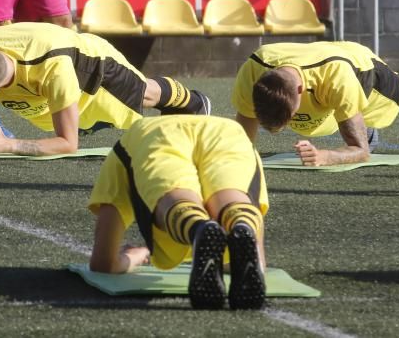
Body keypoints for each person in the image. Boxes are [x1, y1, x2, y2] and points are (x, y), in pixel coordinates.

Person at [0, 22, 212, 157]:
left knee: (145, 94)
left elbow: (67, 144)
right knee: (89, 121)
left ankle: (194, 102)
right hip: (50, 79)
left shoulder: (53, 69)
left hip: (90, 62)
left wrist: (8, 145)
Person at [87, 115, 269, 310]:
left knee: (176, 198)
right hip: (228, 132)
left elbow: (103, 262)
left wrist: (132, 257)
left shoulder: (123, 149)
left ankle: (198, 228)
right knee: (233, 203)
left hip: (155, 134)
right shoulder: (232, 130)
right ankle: (241, 223)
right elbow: (251, 254)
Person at [232, 41, 399, 167]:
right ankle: (362, 124)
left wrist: (325, 156)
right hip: (320, 69)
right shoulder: (252, 71)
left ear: (300, 90)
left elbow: (361, 151)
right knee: (337, 116)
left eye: (290, 116)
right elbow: (243, 144)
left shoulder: (337, 78)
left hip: (358, 68)